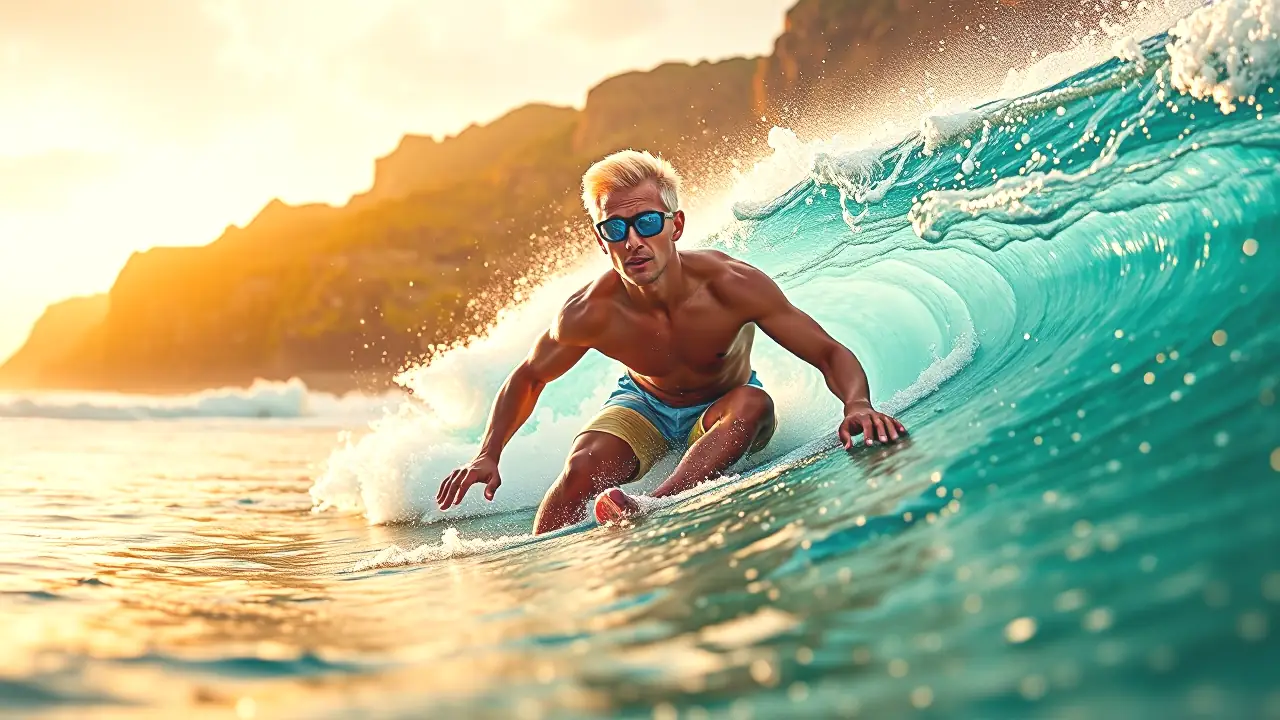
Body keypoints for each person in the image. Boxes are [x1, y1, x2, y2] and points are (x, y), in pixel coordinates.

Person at [435, 149, 906, 534]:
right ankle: (538, 556)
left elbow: (826, 351)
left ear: (675, 226)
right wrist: (489, 453)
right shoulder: (590, 313)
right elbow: (530, 376)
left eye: (646, 223)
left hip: (724, 402)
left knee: (752, 406)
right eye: (615, 229)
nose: (632, 241)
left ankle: (653, 506)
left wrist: (857, 404)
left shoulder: (731, 286)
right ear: (602, 241)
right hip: (644, 403)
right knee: (581, 469)